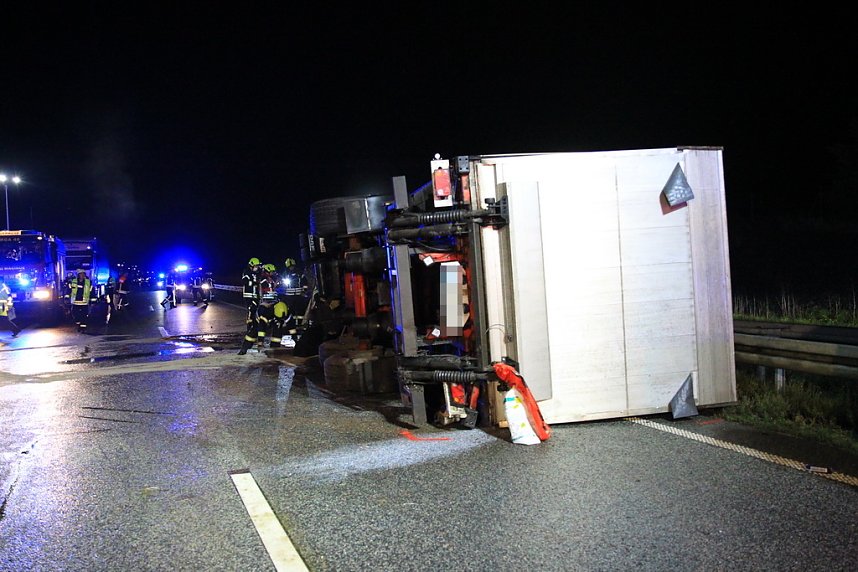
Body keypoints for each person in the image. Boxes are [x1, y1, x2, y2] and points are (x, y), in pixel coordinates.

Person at [238, 258, 262, 355]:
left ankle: (253, 331)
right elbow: (244, 282)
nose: (257, 268)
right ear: (251, 265)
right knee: (251, 315)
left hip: (255, 297)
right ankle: (249, 331)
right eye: (255, 266)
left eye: (257, 266)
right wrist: (254, 283)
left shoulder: (257, 273)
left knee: (255, 315)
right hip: (249, 297)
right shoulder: (246, 272)